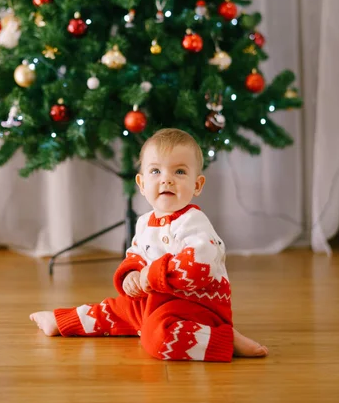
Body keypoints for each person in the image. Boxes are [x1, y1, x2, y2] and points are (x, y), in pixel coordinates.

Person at [30, 128, 268, 361]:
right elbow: (136, 253)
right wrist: (132, 274)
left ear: (197, 185)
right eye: (156, 171)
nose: (167, 179)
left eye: (180, 172)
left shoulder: (194, 222)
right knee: (115, 309)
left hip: (194, 306)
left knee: (159, 337)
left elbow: (198, 267)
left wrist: (149, 276)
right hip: (152, 300)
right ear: (142, 184)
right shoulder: (144, 222)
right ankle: (62, 321)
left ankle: (224, 339)